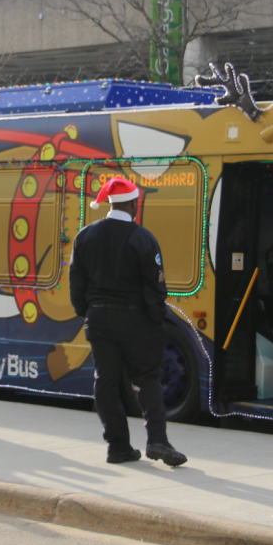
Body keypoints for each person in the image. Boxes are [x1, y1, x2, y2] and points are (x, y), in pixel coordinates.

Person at [69, 176, 187, 467]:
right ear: (134, 203)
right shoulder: (143, 238)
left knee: (105, 382)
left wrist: (88, 311)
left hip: (98, 318)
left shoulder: (84, 236)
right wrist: (154, 318)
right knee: (147, 379)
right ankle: (157, 440)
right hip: (136, 319)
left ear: (110, 203)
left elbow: (76, 283)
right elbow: (156, 286)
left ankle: (118, 447)